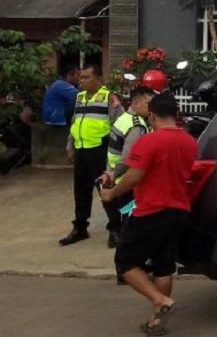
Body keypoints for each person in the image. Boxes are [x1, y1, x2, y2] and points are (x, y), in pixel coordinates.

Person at [99, 93, 198, 335]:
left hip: (151, 210)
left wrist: (112, 193)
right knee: (164, 266)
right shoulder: (190, 142)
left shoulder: (149, 141)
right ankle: (156, 320)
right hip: (179, 210)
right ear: (175, 114)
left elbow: (134, 176)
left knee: (125, 262)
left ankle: (160, 300)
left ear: (152, 115)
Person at [60, 63, 118, 247]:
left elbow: (119, 127)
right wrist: (70, 145)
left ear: (99, 79)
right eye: (81, 77)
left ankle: (115, 229)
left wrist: (114, 156)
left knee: (105, 189)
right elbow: (75, 122)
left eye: (86, 77)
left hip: (100, 151)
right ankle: (80, 228)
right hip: (81, 149)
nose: (82, 81)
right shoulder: (80, 97)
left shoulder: (109, 98)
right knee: (81, 191)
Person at [102, 85, 155, 243]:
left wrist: (110, 171)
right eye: (148, 103)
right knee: (129, 218)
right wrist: (114, 174)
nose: (152, 108)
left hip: (115, 174)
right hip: (126, 179)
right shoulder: (137, 125)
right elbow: (128, 158)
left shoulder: (124, 118)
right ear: (136, 103)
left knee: (120, 213)